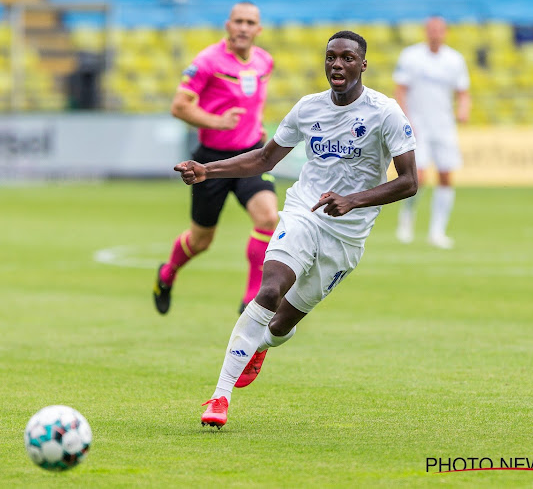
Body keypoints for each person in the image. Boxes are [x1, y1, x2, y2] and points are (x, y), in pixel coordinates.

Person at [174, 30, 418, 428]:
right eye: (330, 58)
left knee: (280, 324)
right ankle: (219, 397)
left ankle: (260, 346)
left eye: (346, 58)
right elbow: (266, 158)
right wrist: (208, 170)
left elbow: (409, 181)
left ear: (363, 65)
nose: (337, 65)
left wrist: (353, 200)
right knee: (268, 289)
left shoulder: (385, 112)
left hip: (347, 236)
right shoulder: (308, 108)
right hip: (304, 211)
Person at [153, 1, 279, 316]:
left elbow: (255, 101)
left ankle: (251, 300)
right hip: (210, 164)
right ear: (228, 25)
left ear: (258, 29)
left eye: (250, 22)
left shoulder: (265, 61)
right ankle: (167, 274)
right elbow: (179, 106)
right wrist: (217, 121)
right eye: (238, 21)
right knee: (201, 240)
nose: (244, 28)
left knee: (268, 217)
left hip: (251, 156)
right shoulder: (208, 61)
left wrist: (256, 125)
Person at [393, 16, 471, 249]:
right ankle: (406, 221)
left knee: (446, 176)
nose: (435, 34)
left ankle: (438, 231)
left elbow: (463, 92)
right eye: (432, 30)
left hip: (444, 125)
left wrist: (464, 110)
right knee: (420, 177)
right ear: (426, 31)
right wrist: (405, 118)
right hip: (418, 124)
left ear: (445, 32)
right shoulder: (411, 56)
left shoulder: (455, 59)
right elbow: (400, 90)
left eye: (440, 30)